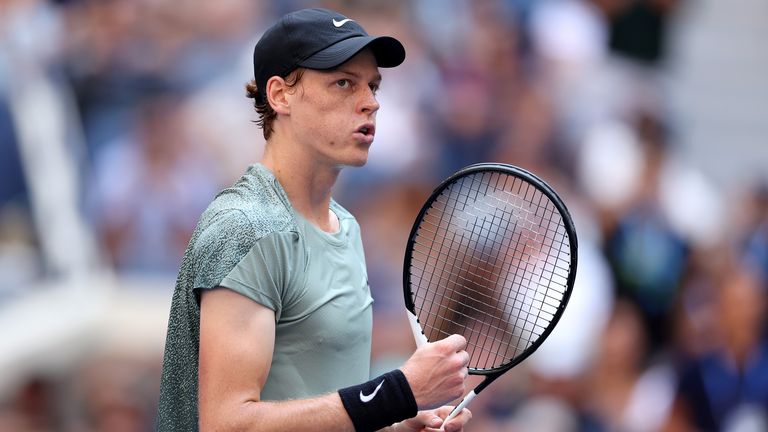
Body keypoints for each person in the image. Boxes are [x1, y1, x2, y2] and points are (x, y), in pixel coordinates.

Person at [156, 8, 472, 432]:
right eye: (343, 82)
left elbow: (328, 403)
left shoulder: (346, 226)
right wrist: (397, 392)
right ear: (280, 95)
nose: (371, 102)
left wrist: (394, 423)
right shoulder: (246, 228)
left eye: (373, 86)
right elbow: (228, 423)